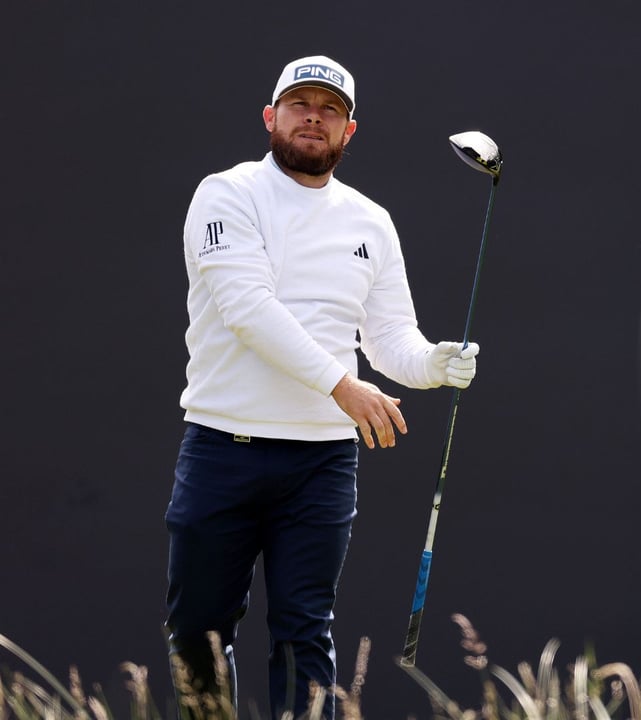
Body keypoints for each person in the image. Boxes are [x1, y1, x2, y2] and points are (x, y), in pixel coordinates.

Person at [164, 55, 478, 719]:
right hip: (224, 447)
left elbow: (391, 340)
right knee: (198, 631)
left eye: (329, 109)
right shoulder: (228, 194)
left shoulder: (370, 220)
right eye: (300, 104)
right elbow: (247, 308)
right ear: (270, 116)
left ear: (349, 131)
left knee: (305, 631)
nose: (314, 116)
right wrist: (345, 386)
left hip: (322, 462)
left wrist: (436, 363)